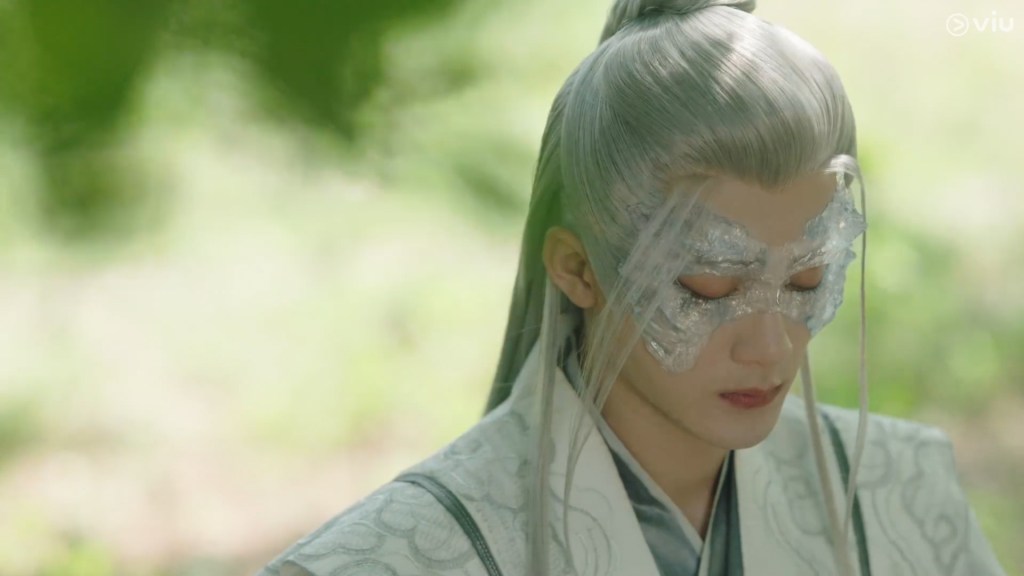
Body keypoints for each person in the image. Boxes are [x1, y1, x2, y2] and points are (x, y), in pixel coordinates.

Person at [257, 0, 1006, 574]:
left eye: (808, 277)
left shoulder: (902, 491)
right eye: (712, 284)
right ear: (578, 268)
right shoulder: (391, 559)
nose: (772, 347)